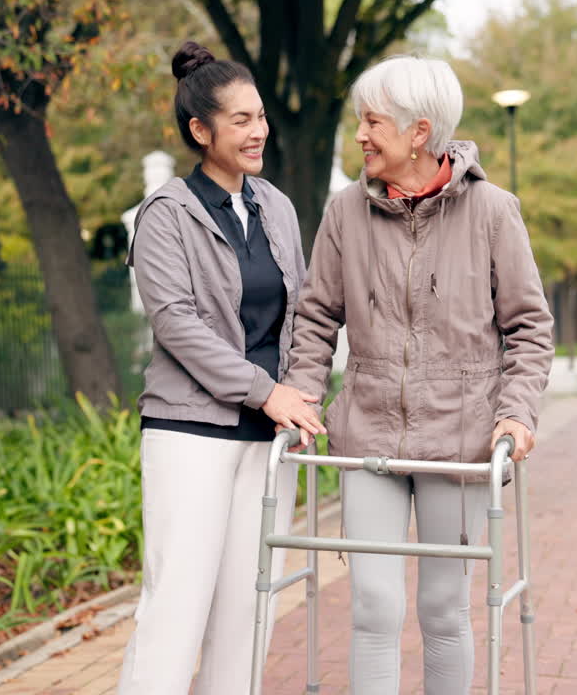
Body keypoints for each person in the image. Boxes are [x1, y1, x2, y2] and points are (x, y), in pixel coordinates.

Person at [279, 55, 554, 693]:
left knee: (442, 609)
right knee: (374, 606)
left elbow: (529, 327)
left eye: (372, 123)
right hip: (368, 430)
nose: (361, 137)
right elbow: (317, 314)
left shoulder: (493, 211)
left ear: (419, 132)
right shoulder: (345, 211)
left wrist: (517, 412)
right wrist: (304, 394)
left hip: (459, 440)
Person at [116, 41, 325, 695]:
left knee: (248, 612)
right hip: (191, 434)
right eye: (240, 120)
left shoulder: (279, 208)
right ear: (200, 131)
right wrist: (267, 391)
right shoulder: (165, 215)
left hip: (267, 441)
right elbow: (177, 324)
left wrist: (299, 395)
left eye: (260, 116)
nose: (258, 130)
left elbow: (303, 310)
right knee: (176, 607)